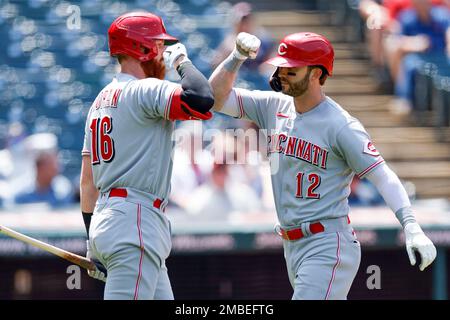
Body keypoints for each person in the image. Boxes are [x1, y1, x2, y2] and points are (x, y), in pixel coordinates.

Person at [208, 31, 437, 299]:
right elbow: (216, 98)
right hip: (292, 244)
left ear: (316, 73)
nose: (282, 73)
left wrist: (411, 226)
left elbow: (383, 176)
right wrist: (235, 58)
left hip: (327, 243)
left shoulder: (341, 125)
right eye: (281, 66)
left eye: (291, 69)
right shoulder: (273, 106)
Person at [79, 11, 214, 300]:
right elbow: (202, 98)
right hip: (134, 222)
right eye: (159, 45)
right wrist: (182, 62)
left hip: (110, 219)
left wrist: (93, 238)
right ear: (141, 48)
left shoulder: (100, 100)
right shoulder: (145, 89)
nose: (163, 53)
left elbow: (88, 183)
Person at [14, 133, 74, 208]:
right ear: (38, 166)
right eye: (50, 162)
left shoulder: (64, 189)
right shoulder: (19, 193)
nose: (56, 166)